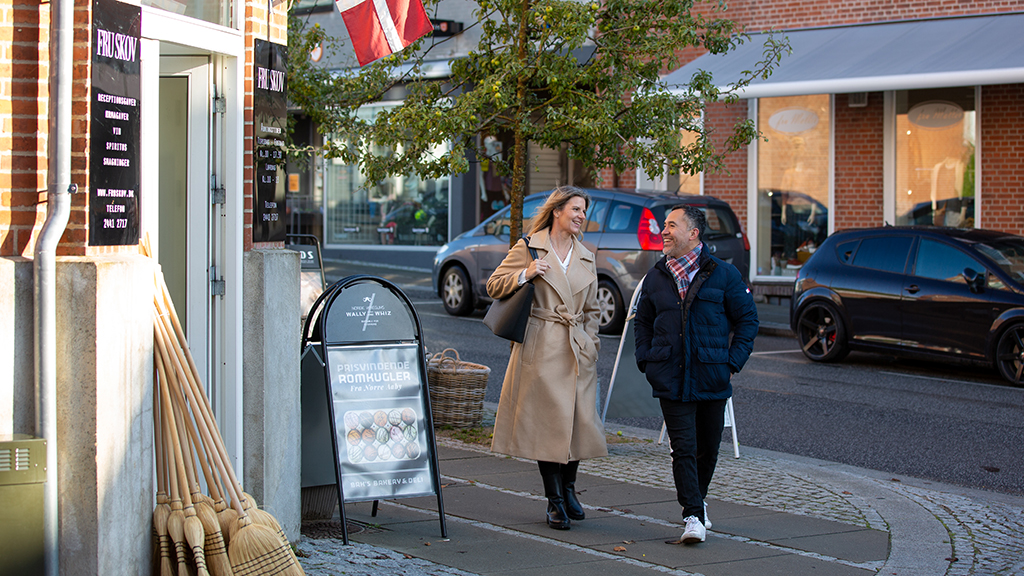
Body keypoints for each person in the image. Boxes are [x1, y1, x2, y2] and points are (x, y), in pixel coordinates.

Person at [634, 204, 758, 544]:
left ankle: (697, 504)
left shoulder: (723, 274)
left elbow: (748, 320)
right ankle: (692, 515)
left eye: (672, 225)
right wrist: (646, 359)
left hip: (712, 375)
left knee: (708, 449)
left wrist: (732, 361)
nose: (664, 230)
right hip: (670, 376)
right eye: (665, 225)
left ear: (693, 233)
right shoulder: (656, 276)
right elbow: (643, 321)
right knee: (683, 448)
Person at [486, 186, 607, 530]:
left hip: (576, 347)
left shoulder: (586, 255)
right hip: (541, 348)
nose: (581, 216)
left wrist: (591, 342)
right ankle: (554, 500)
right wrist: (526, 273)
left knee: (578, 424)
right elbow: (494, 286)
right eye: (576, 209)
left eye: (584, 211)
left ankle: (569, 489)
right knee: (547, 426)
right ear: (557, 211)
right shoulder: (529, 247)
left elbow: (592, 309)